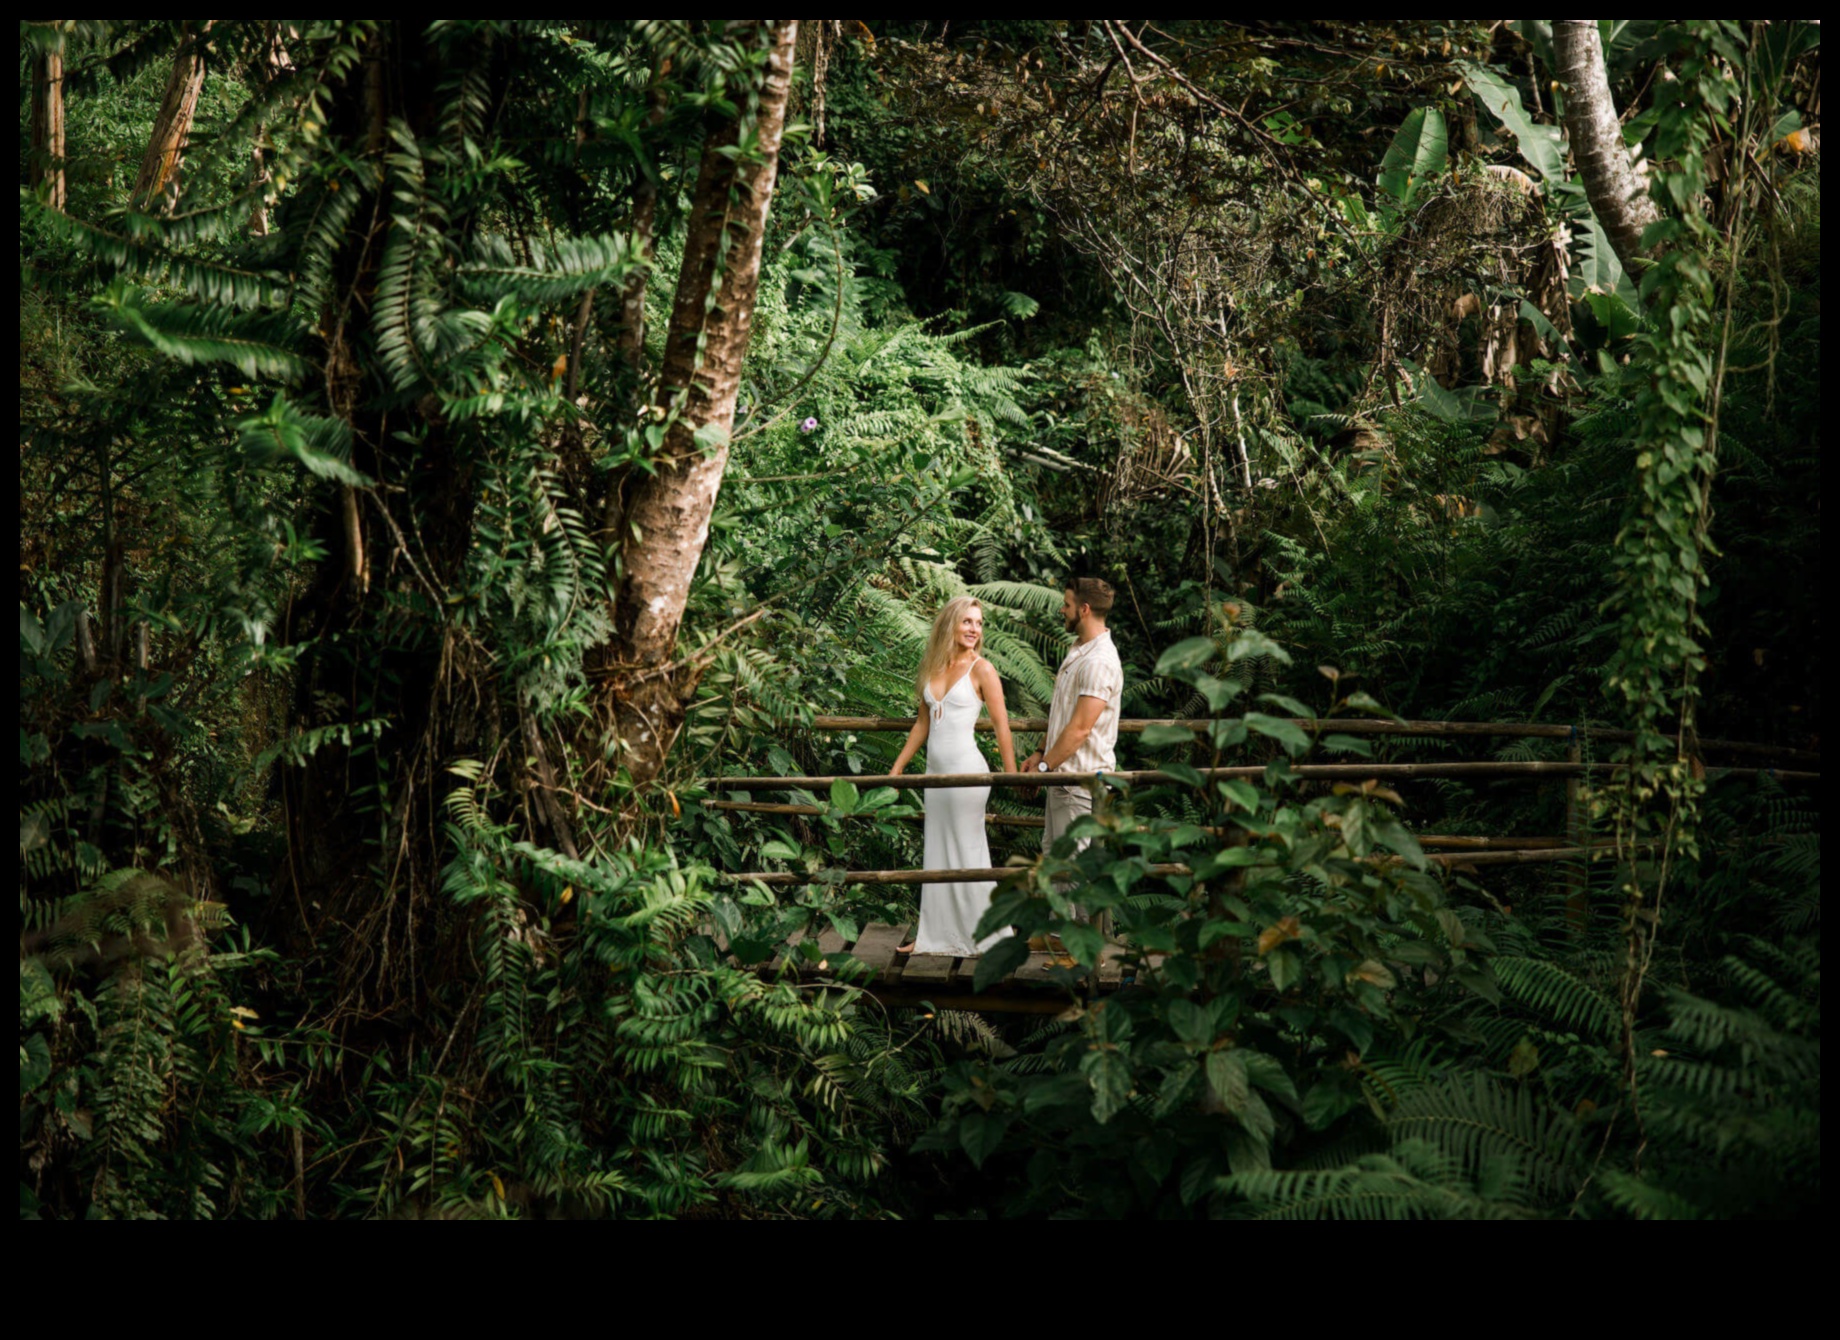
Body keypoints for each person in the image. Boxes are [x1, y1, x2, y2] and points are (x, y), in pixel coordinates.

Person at [888, 596, 1018, 956]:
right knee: (938, 851)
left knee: (967, 851)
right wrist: (898, 767)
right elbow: (922, 724)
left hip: (968, 775)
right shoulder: (934, 666)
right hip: (935, 776)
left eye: (978, 623)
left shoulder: (983, 669)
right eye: (967, 622)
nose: (974, 629)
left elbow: (1002, 725)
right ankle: (933, 935)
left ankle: (986, 935)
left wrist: (1010, 774)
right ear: (951, 625)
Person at [1020, 578, 1123, 873]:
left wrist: (1042, 771)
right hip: (1060, 777)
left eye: (1067, 605)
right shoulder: (1080, 649)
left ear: (1085, 609)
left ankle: (1079, 922)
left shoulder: (1099, 661)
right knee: (1056, 865)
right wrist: (1041, 753)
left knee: (1071, 873)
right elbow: (1062, 714)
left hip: (1080, 783)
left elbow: (1080, 728)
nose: (1062, 611)